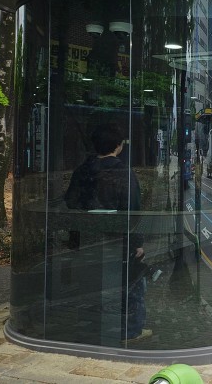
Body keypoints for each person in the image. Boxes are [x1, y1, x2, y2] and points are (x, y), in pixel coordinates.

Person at [65, 123, 151, 343]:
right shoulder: (123, 172)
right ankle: (131, 331)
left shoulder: (82, 170)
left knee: (90, 284)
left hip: (87, 239)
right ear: (118, 146)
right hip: (118, 239)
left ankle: (90, 327)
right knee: (132, 283)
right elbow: (132, 210)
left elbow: (71, 201)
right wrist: (137, 243)